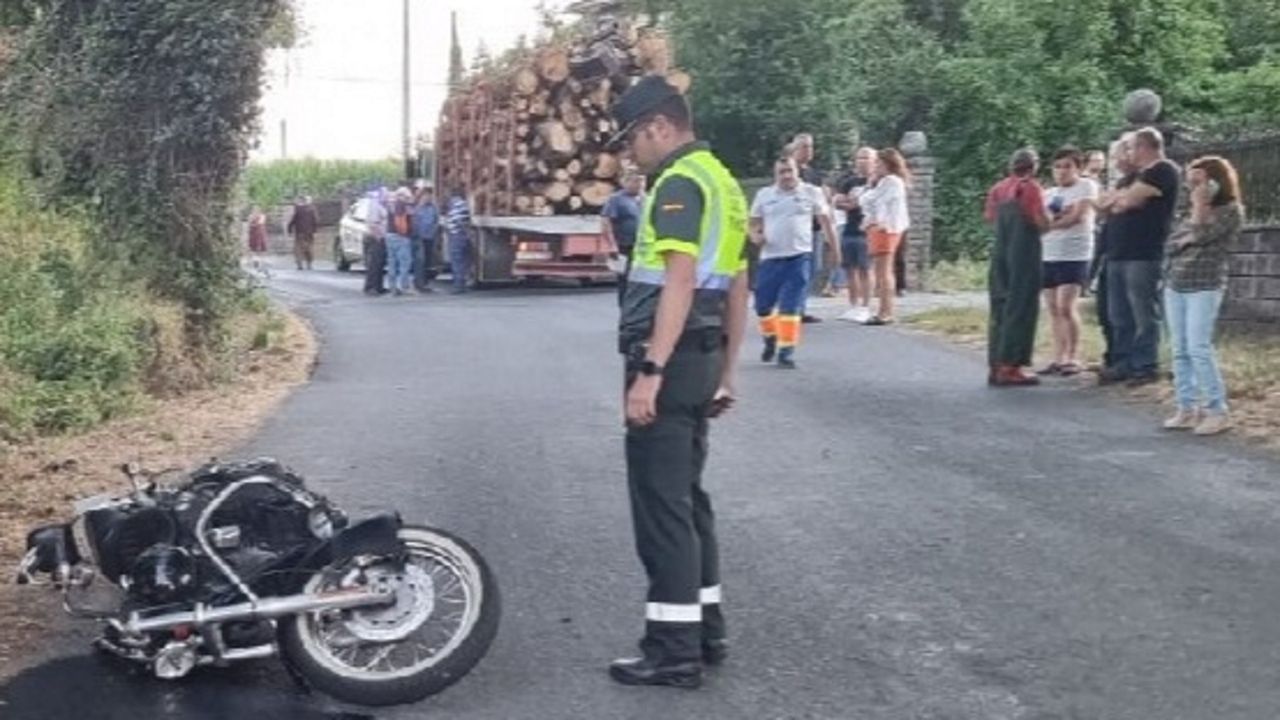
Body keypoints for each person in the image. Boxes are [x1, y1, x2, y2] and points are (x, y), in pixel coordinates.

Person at [607, 75, 749, 689]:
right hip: (704, 357)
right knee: (689, 500)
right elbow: (740, 285)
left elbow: (681, 279)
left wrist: (650, 372)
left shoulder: (679, 182)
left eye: (630, 141)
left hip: (669, 359)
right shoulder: (724, 182)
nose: (627, 155)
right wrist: (727, 370)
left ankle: (672, 650)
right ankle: (705, 628)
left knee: (662, 508)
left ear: (658, 128)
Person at [1161, 156, 1243, 436]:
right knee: (1180, 349)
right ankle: (1186, 407)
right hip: (1176, 283)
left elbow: (1203, 234)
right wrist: (1190, 232)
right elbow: (1172, 244)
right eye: (1190, 181)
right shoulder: (1187, 212)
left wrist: (1200, 208)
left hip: (1205, 284)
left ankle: (1217, 410)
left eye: (1199, 181)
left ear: (1216, 182)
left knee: (1198, 347)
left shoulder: (1231, 211)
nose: (1193, 187)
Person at [1094, 127, 1181, 386]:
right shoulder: (1131, 178)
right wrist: (1120, 199)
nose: (1128, 154)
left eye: (1131, 148)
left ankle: (1145, 365)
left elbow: (1129, 202)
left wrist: (1120, 200)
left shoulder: (1163, 170)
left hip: (1143, 253)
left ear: (1145, 147)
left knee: (1143, 312)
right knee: (1119, 314)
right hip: (1118, 253)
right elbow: (1104, 206)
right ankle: (1122, 362)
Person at [749, 156, 839, 369]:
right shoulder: (765, 195)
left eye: (790, 170)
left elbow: (826, 222)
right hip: (771, 258)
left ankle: (786, 351)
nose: (787, 176)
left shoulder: (811, 192)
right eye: (782, 172)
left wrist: (835, 249)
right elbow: (753, 223)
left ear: (797, 171)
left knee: (790, 306)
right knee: (762, 305)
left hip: (799, 257)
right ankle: (770, 336)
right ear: (775, 175)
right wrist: (755, 236)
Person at [984, 148, 1050, 386]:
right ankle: (1011, 365)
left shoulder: (998, 189)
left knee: (1000, 306)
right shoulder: (1030, 188)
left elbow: (990, 218)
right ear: (1033, 166)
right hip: (1024, 253)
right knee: (1021, 306)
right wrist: (1052, 220)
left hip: (1001, 251)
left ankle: (995, 363)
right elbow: (1041, 221)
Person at [1037, 147, 1098, 375]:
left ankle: (1072, 356)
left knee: (1066, 305)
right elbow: (1041, 219)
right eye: (1058, 167)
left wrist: (1052, 222)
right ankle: (1058, 356)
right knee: (1053, 308)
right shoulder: (1049, 194)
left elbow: (1077, 217)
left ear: (1078, 168)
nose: (1062, 171)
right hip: (1049, 252)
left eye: (1068, 166)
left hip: (1075, 253)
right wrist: (1053, 221)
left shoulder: (1086, 186)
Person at [1091, 133, 1138, 372]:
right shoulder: (1120, 183)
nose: (1116, 161)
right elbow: (1101, 209)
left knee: (1126, 313)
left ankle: (1126, 361)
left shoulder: (1141, 181)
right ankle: (1114, 356)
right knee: (1107, 312)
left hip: (1132, 254)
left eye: (1119, 154)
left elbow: (1115, 206)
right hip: (1109, 252)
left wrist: (1111, 203)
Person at [859, 148, 911, 325]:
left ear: (888, 164)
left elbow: (869, 200)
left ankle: (885, 312)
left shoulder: (890, 181)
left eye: (879, 163)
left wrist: (868, 187)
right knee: (883, 271)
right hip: (885, 228)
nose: (876, 167)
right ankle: (884, 310)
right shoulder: (889, 182)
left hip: (885, 229)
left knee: (883, 272)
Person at [834, 147, 877, 322]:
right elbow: (838, 202)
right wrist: (850, 203)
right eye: (859, 158)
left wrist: (852, 203)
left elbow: (862, 204)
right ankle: (853, 305)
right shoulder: (849, 182)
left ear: (874, 161)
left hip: (867, 230)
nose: (862, 161)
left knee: (866, 269)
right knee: (850, 269)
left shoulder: (878, 182)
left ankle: (866, 306)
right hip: (849, 228)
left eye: (866, 158)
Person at [790, 133, 827, 324]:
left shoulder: (814, 173)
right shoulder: (789, 170)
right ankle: (793, 308)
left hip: (814, 227)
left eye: (811, 147)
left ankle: (801, 307)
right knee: (798, 270)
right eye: (804, 147)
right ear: (795, 149)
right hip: (797, 229)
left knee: (814, 267)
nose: (808, 151)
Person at [602, 171, 646, 304]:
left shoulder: (644, 198)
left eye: (640, 181)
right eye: (634, 181)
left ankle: (636, 302)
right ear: (626, 182)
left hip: (641, 245)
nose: (637, 185)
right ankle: (624, 303)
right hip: (624, 244)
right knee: (625, 276)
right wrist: (612, 244)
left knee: (640, 277)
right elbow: (606, 221)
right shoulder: (617, 199)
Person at [385, 187, 416, 295]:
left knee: (392, 262)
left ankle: (392, 287)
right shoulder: (401, 205)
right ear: (402, 196)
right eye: (407, 197)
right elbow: (400, 222)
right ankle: (404, 287)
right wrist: (404, 233)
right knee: (404, 263)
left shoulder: (391, 205)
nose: (409, 199)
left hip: (390, 235)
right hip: (400, 237)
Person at [413, 185, 440, 292]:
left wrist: (434, 231)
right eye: (426, 196)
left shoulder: (433, 208)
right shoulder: (417, 208)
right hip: (419, 237)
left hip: (430, 237)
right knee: (420, 260)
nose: (428, 198)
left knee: (427, 261)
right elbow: (414, 222)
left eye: (430, 196)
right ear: (422, 196)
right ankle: (419, 283)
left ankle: (425, 282)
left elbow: (436, 220)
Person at [445, 187, 472, 294]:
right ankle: (462, 283)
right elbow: (465, 221)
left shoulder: (455, 205)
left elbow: (458, 221)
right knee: (463, 261)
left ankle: (458, 285)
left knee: (457, 261)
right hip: (462, 236)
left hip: (456, 236)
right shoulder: (464, 205)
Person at [362, 189, 389, 296]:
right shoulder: (375, 205)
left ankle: (379, 286)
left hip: (382, 237)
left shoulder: (382, 205)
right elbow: (373, 224)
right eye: (385, 196)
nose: (387, 198)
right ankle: (371, 286)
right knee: (374, 263)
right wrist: (378, 237)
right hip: (375, 238)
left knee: (380, 263)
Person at [286, 195, 319, 270]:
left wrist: (289, 228)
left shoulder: (298, 209)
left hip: (299, 231)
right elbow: (316, 221)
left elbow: (293, 220)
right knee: (309, 247)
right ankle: (309, 263)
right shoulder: (312, 209)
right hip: (309, 232)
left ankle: (299, 264)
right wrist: (315, 231)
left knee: (298, 248)